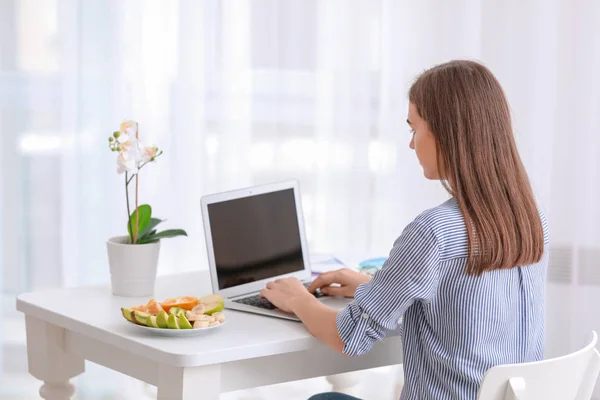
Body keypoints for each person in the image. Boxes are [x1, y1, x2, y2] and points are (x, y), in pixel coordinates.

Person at [260, 60, 549, 400]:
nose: (412, 144)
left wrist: (298, 299)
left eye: (414, 129)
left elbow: (350, 335)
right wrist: (374, 287)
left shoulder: (433, 232)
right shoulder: (530, 219)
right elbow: (462, 311)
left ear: (445, 133)